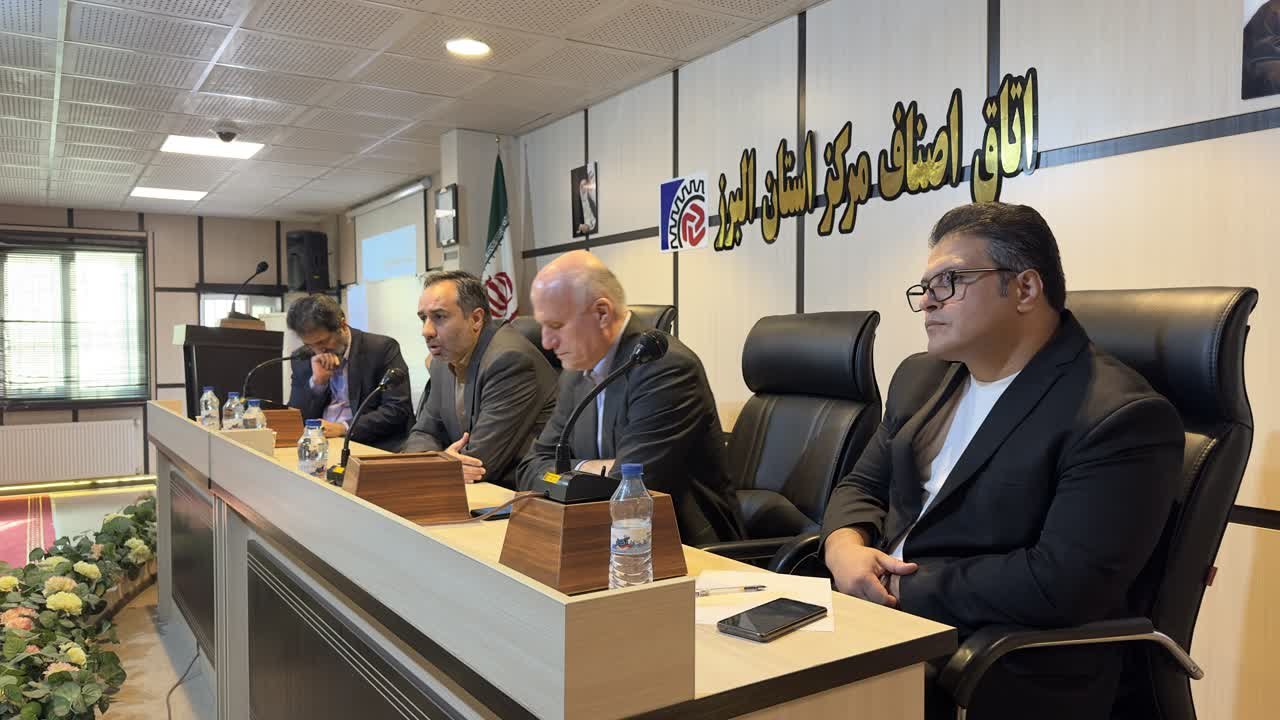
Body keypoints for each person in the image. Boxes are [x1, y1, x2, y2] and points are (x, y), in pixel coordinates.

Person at [819, 203, 1183, 719]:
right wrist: (843, 548)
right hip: (881, 624)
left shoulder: (1118, 416)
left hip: (991, 659)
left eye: (950, 281)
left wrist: (895, 586)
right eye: (925, 286)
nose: (927, 301)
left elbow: (1059, 583)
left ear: (1025, 289)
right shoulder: (922, 377)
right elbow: (860, 485)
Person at [516, 251, 742, 544]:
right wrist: (592, 468)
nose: (546, 342)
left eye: (556, 326)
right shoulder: (576, 372)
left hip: (685, 544)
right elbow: (529, 468)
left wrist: (570, 468)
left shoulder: (665, 368)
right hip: (603, 535)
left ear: (602, 313)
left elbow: (631, 488)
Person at [402, 271, 558, 489]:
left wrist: (435, 466)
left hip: (514, 493)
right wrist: (437, 463)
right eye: (423, 318)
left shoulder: (509, 361)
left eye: (439, 317)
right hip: (467, 489)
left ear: (476, 319)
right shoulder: (442, 362)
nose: (426, 331)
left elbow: (480, 463)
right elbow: (424, 432)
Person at [286, 294, 414, 452]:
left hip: (369, 444)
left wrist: (344, 428)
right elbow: (295, 418)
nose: (318, 351)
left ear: (342, 324)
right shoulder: (302, 357)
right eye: (309, 345)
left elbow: (397, 409)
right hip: (319, 445)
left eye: (323, 342)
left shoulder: (381, 349)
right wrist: (317, 383)